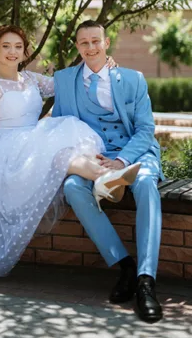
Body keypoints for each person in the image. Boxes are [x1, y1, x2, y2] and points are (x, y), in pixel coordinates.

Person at [0, 24, 140, 280]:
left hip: (33, 137)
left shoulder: (31, 79)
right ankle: (105, 177)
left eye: (18, 46)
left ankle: (105, 177)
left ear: (25, 51)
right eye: (6, 47)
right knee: (61, 156)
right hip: (6, 149)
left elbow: (69, 83)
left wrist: (103, 65)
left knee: (69, 143)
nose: (12, 52)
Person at [52, 20, 164, 323]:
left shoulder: (132, 79)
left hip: (134, 153)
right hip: (94, 157)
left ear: (106, 42)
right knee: (73, 187)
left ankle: (145, 280)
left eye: (95, 41)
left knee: (145, 185)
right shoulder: (62, 81)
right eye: (84, 42)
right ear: (77, 46)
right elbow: (60, 128)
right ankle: (124, 265)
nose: (90, 48)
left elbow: (145, 130)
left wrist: (123, 160)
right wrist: (85, 158)